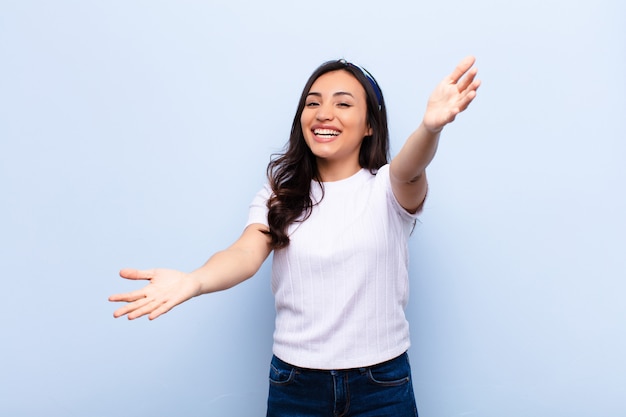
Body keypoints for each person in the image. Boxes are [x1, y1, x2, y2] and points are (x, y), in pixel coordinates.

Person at [109, 56, 480, 416]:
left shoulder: (387, 188)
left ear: (370, 124)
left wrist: (430, 128)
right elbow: (244, 253)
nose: (323, 113)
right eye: (312, 103)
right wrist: (194, 280)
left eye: (343, 103)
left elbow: (410, 168)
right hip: (296, 385)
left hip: (381, 383)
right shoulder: (280, 193)